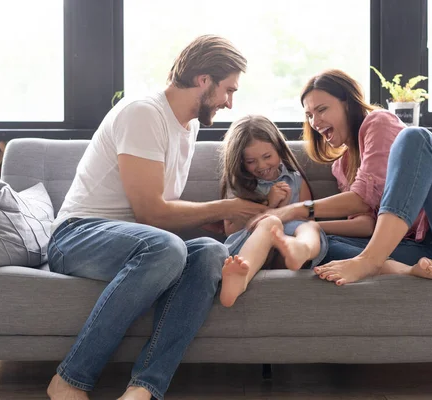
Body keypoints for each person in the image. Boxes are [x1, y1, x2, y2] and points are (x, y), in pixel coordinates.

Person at [46, 35, 267, 400]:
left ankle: (142, 389)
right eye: (228, 90)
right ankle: (69, 379)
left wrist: (211, 222)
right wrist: (227, 207)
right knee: (166, 248)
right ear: (203, 80)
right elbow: (150, 212)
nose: (230, 102)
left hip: (135, 240)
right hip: (76, 235)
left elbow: (157, 212)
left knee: (211, 251)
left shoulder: (188, 126)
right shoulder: (144, 113)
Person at [248, 69, 432, 285]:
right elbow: (366, 224)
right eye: (309, 115)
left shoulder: (378, 123)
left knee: (415, 137)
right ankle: (401, 269)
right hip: (426, 251)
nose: (315, 121)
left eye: (322, 109)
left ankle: (371, 261)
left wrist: (295, 211)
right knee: (323, 244)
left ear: (347, 103)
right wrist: (311, 229)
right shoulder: (341, 166)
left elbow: (361, 199)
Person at [218, 115, 329, 307]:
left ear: (279, 149)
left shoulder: (295, 180)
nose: (261, 166)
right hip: (253, 248)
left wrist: (288, 209)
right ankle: (239, 278)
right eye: (251, 161)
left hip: (286, 253)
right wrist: (269, 205)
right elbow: (230, 230)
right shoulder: (239, 186)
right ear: (240, 162)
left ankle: (301, 249)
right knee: (271, 223)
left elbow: (307, 213)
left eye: (267, 157)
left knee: (310, 226)